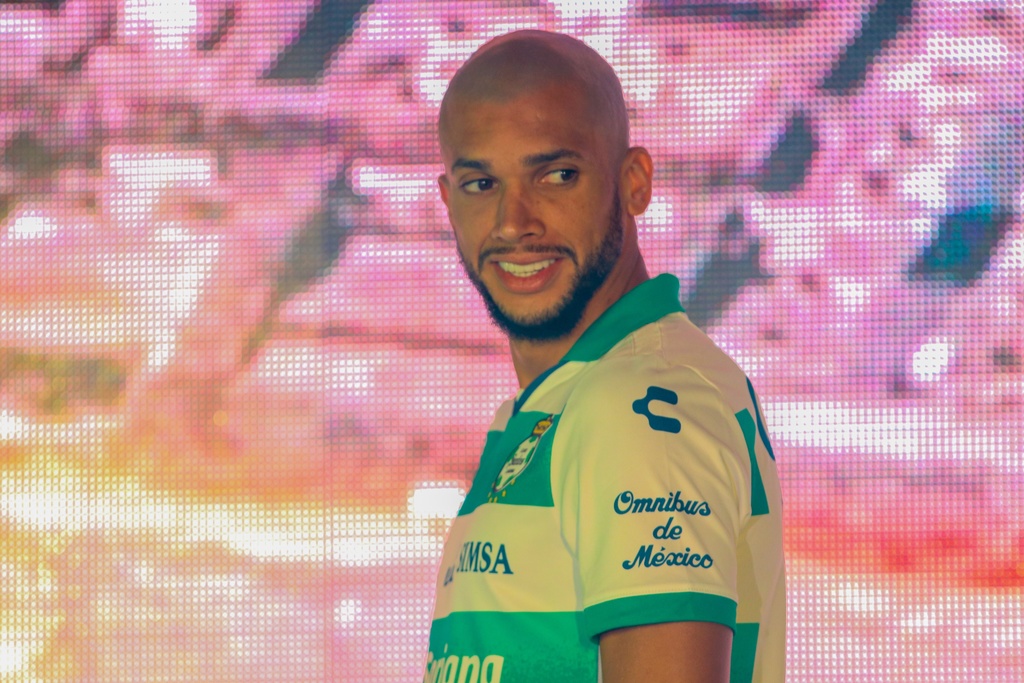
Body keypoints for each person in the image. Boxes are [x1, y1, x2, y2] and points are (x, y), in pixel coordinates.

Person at [425, 30, 785, 683]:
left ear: (634, 183)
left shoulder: (633, 403)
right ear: (449, 203)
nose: (514, 221)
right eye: (481, 184)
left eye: (556, 175)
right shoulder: (580, 395)